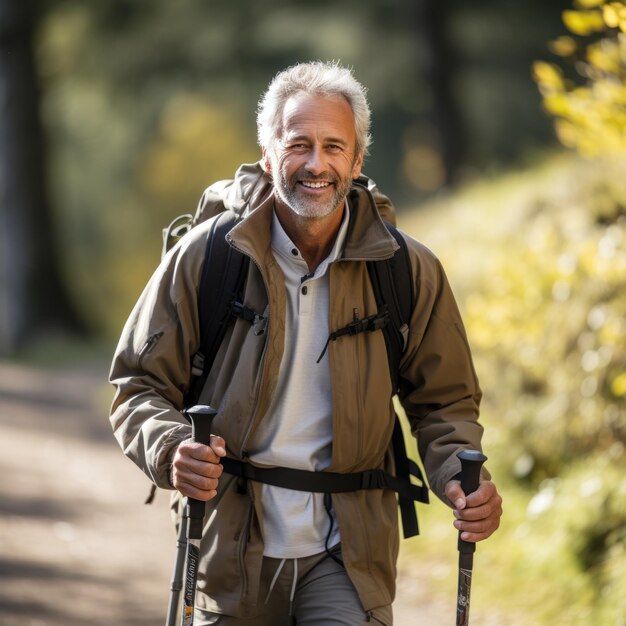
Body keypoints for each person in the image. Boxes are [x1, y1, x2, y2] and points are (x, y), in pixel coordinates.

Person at [109, 61, 502, 626]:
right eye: (299, 145)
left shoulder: (407, 270)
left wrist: (459, 480)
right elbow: (138, 385)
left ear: (357, 160)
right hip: (228, 549)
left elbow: (445, 403)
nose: (317, 164)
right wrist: (171, 448)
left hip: (349, 552)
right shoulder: (207, 256)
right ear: (269, 156)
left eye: (334, 146)